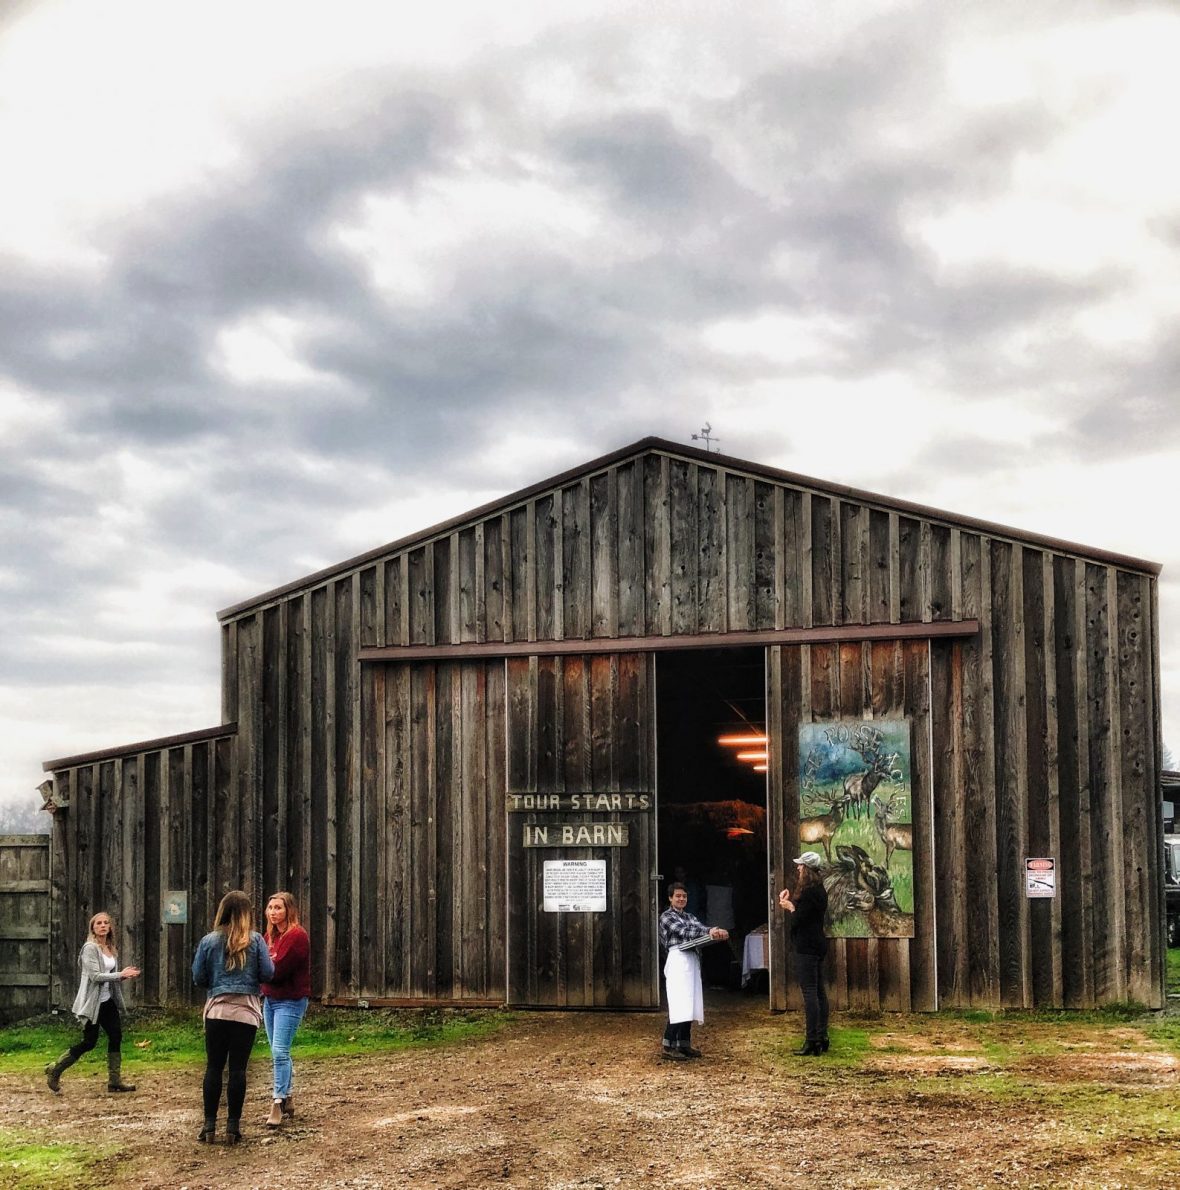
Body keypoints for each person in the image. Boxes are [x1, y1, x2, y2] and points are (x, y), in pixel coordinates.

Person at [192, 890, 275, 1144]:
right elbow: (268, 974)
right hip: (246, 1012)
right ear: (247, 913)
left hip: (217, 1009)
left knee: (214, 1067)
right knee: (238, 1069)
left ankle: (208, 1126)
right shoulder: (257, 940)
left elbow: (198, 977)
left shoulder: (209, 940)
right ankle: (233, 1127)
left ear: (222, 910)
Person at [45, 911, 141, 1093]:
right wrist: (120, 975)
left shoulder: (110, 948)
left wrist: (122, 976)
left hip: (107, 1001)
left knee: (116, 1036)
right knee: (89, 1042)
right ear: (93, 928)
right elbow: (95, 977)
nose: (103, 926)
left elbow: (110, 976)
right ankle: (55, 1069)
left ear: (110, 927)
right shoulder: (90, 948)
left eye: (106, 923)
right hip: (93, 1003)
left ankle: (114, 1081)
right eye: (99, 923)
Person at [657, 881, 729, 1060]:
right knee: (679, 1002)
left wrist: (714, 930)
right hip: (678, 959)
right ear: (670, 898)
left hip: (691, 958)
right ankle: (668, 1044)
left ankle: (684, 1043)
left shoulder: (689, 916)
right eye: (678, 896)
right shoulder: (666, 916)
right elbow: (683, 932)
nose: (681, 899)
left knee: (691, 1000)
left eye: (684, 896)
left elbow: (700, 928)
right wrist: (710, 933)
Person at [260, 890, 311, 1127]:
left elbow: (277, 970)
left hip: (290, 999)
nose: (273, 912)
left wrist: (260, 973)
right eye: (270, 908)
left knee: (279, 1051)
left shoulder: (296, 937)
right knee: (278, 1051)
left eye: (278, 908)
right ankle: (288, 1095)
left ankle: (277, 1101)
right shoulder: (268, 937)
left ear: (289, 910)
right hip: (269, 999)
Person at [779, 851, 830, 1056]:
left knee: (809, 992)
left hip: (807, 945)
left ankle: (812, 1040)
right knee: (819, 992)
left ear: (807, 869)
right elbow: (807, 912)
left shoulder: (810, 892)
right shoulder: (818, 890)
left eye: (800, 866)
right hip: (817, 943)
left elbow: (800, 919)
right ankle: (822, 1035)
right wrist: (791, 899)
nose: (798, 868)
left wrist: (791, 907)